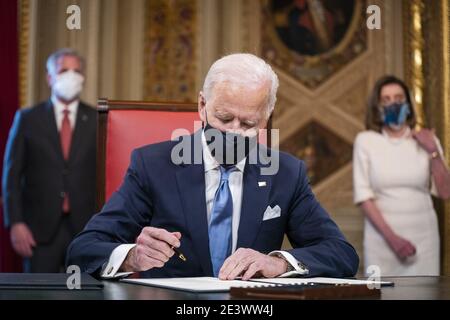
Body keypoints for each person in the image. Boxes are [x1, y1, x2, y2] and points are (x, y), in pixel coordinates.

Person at [66, 53, 358, 280]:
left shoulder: (285, 173)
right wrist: (133, 256)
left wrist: (278, 263)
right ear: (202, 106)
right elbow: (83, 249)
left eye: (248, 124)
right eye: (224, 117)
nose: (233, 132)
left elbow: (341, 254)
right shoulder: (153, 166)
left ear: (265, 120)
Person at [2, 48, 97, 272]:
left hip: (86, 229)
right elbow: (12, 176)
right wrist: (15, 223)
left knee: (85, 293)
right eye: (64, 70)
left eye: (76, 71)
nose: (71, 76)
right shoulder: (28, 118)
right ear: (49, 77)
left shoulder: (96, 120)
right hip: (39, 231)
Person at [353, 75, 450, 276]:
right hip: (382, 241)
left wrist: (433, 151)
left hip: (424, 239)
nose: (393, 104)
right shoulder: (366, 141)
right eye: (386, 100)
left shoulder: (426, 140)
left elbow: (445, 191)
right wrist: (393, 240)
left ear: (408, 103)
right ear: (377, 107)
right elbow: (364, 198)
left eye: (398, 98)